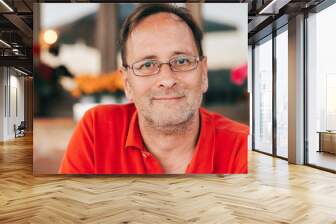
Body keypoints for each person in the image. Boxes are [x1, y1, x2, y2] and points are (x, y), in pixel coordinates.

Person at [59, 3, 249, 174]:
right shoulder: (97, 130)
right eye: (147, 65)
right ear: (127, 83)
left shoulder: (244, 147)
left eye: (182, 61)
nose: (167, 80)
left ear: (204, 74)